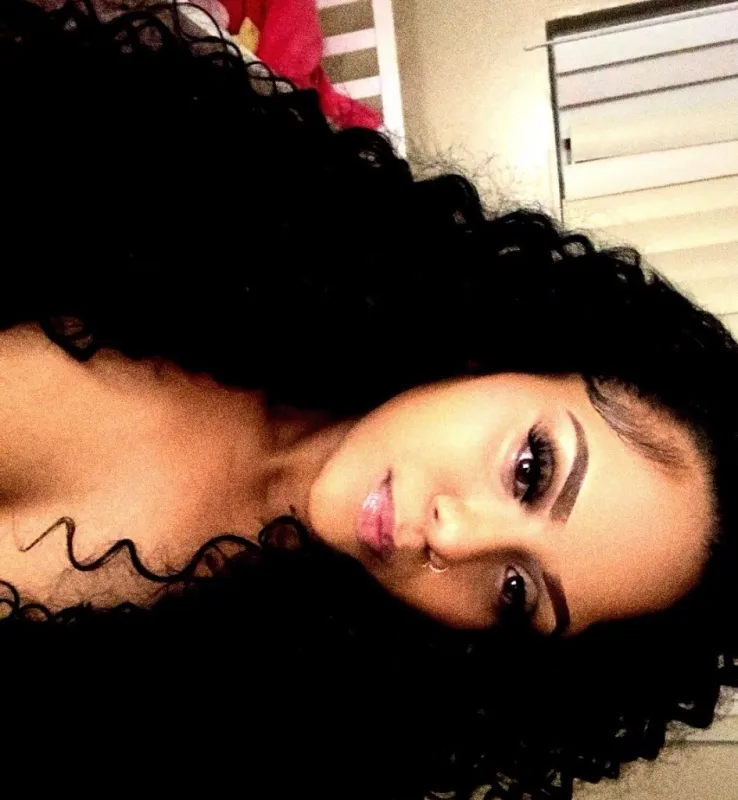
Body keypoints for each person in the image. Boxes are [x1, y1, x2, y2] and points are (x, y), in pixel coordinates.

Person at [1, 1, 736, 798]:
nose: (455, 538)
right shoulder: (191, 195)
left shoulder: (259, 731)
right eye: (530, 470)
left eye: (517, 593)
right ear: (516, 350)